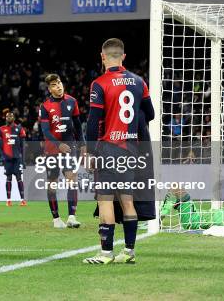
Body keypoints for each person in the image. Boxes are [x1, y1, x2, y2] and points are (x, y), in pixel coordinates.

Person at [83, 38, 154, 264]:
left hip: (108, 149)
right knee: (127, 200)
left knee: (105, 200)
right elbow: (149, 113)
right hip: (131, 149)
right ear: (123, 56)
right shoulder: (139, 82)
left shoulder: (99, 83)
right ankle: (129, 252)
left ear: (102, 56)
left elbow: (93, 122)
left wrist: (90, 152)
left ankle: (105, 253)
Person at [39, 73, 85, 228]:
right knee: (52, 183)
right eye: (53, 85)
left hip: (69, 148)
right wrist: (58, 145)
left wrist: (83, 144)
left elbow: (78, 126)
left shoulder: (72, 101)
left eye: (58, 83)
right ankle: (56, 219)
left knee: (72, 179)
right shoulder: (45, 106)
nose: (58, 86)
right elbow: (45, 131)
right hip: (52, 150)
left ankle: (72, 217)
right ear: (49, 89)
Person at [0, 111, 27, 207]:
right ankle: (8, 200)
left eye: (11, 116)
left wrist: (23, 159)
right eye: (7, 116)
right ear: (5, 118)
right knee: (8, 178)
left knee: (19, 178)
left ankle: (22, 200)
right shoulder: (1, 129)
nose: (9, 118)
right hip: (7, 159)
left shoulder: (19, 129)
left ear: (14, 118)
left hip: (17, 158)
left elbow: (23, 145)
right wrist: (3, 155)